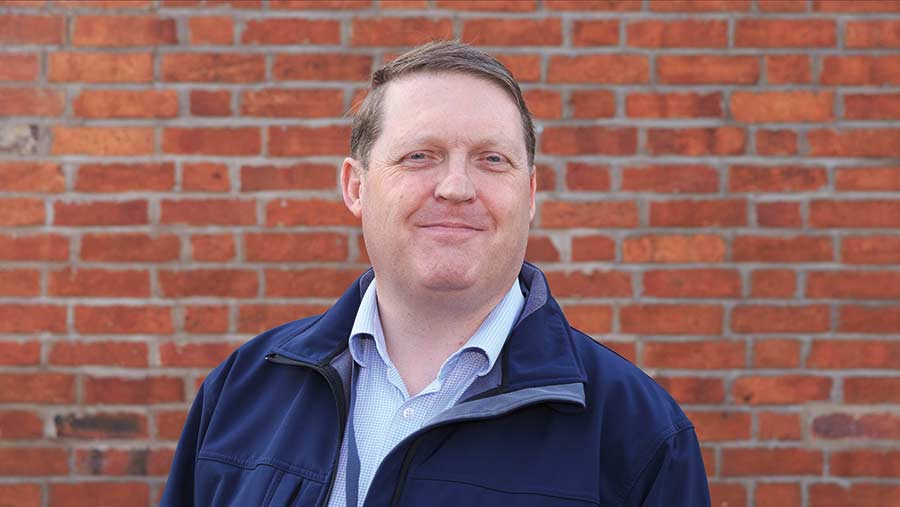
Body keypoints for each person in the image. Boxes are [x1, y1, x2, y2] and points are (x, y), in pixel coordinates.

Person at [161, 40, 710, 507]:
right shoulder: (244, 389)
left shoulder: (638, 432)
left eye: (492, 159)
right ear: (355, 187)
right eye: (420, 156)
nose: (455, 187)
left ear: (531, 193)